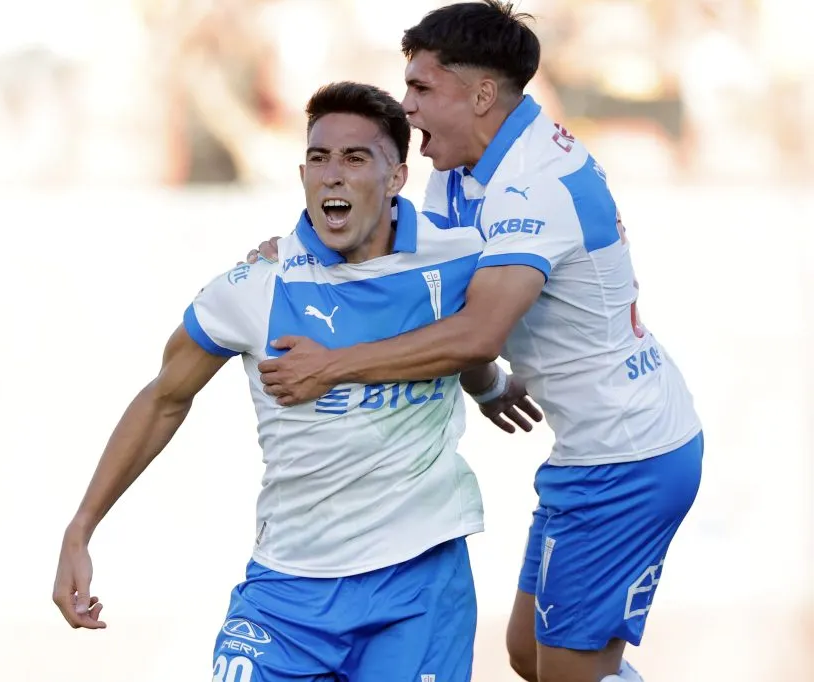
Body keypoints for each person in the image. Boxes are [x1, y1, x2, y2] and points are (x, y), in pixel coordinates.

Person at [241, 3, 703, 682]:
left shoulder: (535, 184)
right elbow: (415, 279)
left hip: (629, 459)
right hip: (591, 455)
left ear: (482, 94)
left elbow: (477, 330)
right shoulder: (461, 169)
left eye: (422, 89)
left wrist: (333, 368)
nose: (408, 108)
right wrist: (290, 251)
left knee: (572, 673)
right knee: (527, 656)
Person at [52, 81, 539, 682]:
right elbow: (164, 397)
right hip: (288, 591)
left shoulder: (460, 256)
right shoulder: (256, 285)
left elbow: (466, 335)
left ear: (396, 179)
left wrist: (486, 383)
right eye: (319, 158)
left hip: (418, 579)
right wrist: (81, 529)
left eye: (355, 158)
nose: (332, 175)